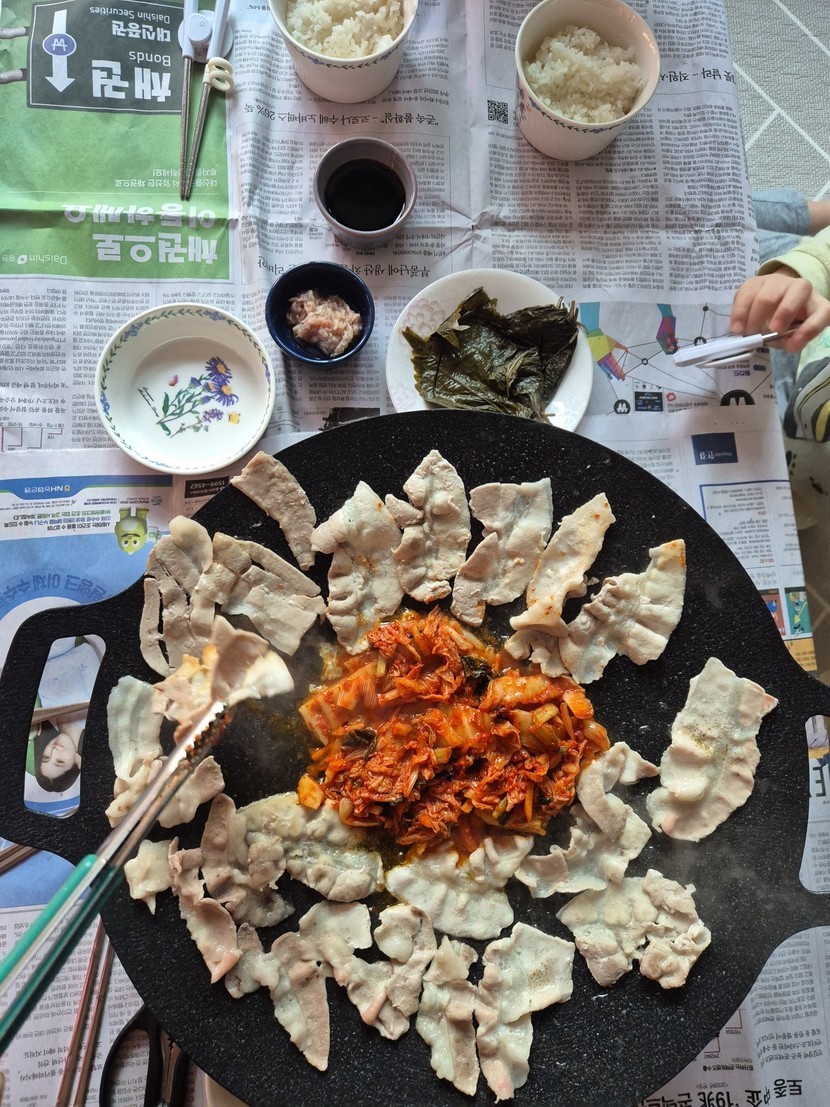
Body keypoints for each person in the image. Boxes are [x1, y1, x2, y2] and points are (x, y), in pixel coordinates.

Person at [730, 189, 830, 521]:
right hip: (807, 327)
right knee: (724, 212)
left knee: (735, 221)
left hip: (792, 473)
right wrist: (797, 273)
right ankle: (820, 212)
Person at [32, 719, 83, 793]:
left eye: (46, 757)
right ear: (77, 760)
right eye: (60, 761)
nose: (53, 751)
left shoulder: (43, 722)